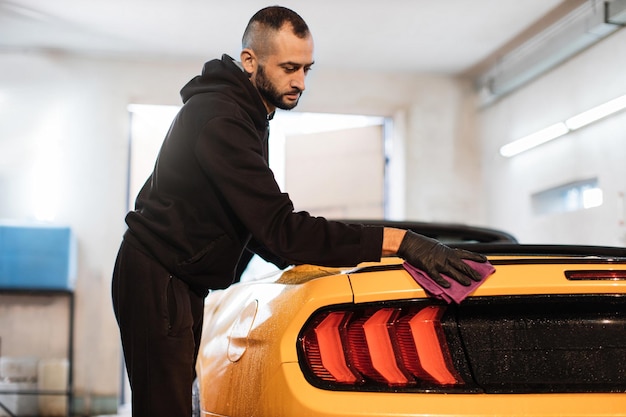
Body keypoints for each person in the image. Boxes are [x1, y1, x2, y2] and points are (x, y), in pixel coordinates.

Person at [112, 6, 486, 417]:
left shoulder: (246, 113)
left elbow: (255, 226)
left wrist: (311, 264)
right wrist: (401, 243)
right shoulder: (221, 118)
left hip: (174, 277)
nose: (301, 82)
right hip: (158, 276)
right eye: (289, 68)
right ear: (250, 61)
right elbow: (279, 228)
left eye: (307, 68)